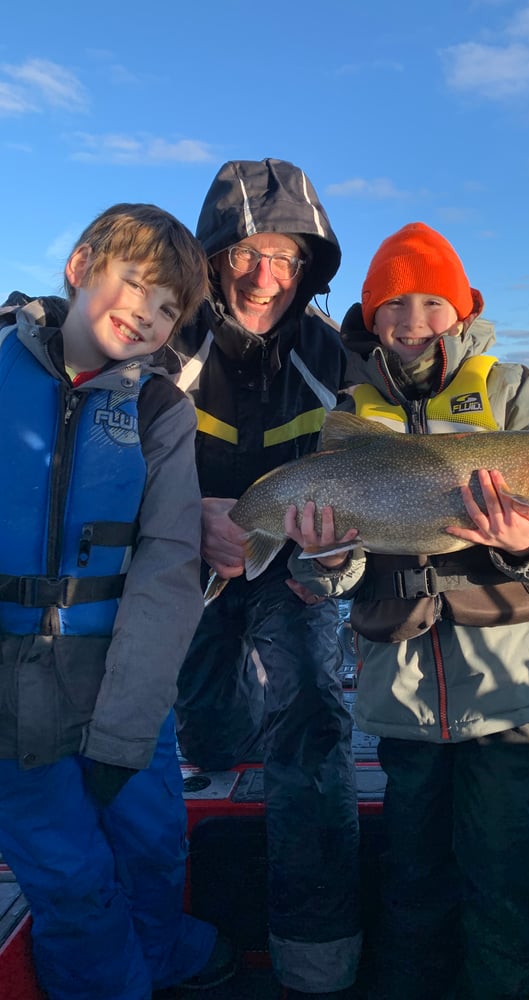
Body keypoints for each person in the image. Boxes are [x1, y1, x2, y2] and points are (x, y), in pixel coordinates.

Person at [286, 222, 529, 1000]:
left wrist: (528, 545)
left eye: (431, 300)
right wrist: (325, 559)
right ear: (370, 315)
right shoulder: (349, 411)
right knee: (412, 868)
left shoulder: (512, 391)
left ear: (460, 310)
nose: (412, 318)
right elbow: (333, 576)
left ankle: (513, 989)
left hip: (512, 684)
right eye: (392, 302)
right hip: (400, 690)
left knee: (510, 864)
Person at [0, 204, 237, 999]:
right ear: (80, 266)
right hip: (9, 696)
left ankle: (162, 953)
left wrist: (131, 721)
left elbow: (170, 560)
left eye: (170, 307)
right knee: (69, 873)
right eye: (135, 284)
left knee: (154, 843)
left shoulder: (160, 409)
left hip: (123, 675)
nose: (149, 313)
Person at [171, 159, 361, 999]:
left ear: (310, 265)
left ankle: (317, 950)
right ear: (213, 257)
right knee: (205, 732)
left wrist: (335, 552)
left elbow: (372, 482)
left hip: (296, 564)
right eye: (247, 251)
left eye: (287, 256)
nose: (265, 276)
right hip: (185, 560)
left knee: (313, 724)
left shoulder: (333, 357)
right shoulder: (167, 340)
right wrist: (186, 518)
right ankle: (193, 914)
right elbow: (103, 456)